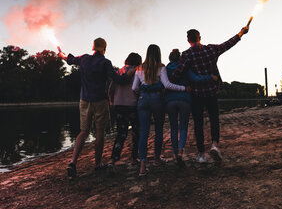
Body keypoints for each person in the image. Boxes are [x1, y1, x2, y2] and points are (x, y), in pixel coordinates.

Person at [171, 25, 249, 163]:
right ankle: (214, 144)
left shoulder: (187, 54)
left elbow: (178, 72)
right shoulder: (211, 49)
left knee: (198, 124)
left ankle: (201, 154)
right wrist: (241, 33)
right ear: (200, 38)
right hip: (212, 92)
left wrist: (167, 83)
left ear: (188, 40)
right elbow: (228, 44)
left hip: (197, 95)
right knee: (214, 120)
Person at [58, 37, 134, 178]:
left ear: (93, 47)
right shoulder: (105, 62)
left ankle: (73, 162)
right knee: (99, 132)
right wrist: (128, 75)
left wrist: (62, 54)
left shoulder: (84, 59)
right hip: (100, 101)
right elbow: (117, 80)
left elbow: (70, 59)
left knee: (83, 131)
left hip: (84, 100)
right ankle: (98, 163)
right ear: (104, 49)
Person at [132, 44, 187, 176]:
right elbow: (167, 85)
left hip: (143, 100)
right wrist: (183, 88)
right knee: (158, 130)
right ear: (158, 54)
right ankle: (157, 159)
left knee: (144, 132)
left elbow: (134, 88)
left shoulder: (139, 68)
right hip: (157, 100)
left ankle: (142, 167)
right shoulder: (161, 67)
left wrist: (142, 92)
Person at [166, 49, 217, 167]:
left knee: (173, 128)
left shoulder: (166, 69)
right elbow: (195, 78)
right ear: (180, 58)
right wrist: (210, 77)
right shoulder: (185, 68)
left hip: (170, 101)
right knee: (183, 127)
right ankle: (180, 153)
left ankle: (174, 155)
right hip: (184, 100)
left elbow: (164, 83)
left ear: (169, 58)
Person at [107, 53, 142, 171]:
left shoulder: (119, 71)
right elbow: (138, 89)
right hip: (133, 105)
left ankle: (113, 158)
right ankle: (134, 157)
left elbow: (111, 88)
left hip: (119, 105)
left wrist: (111, 101)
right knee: (136, 132)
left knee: (121, 133)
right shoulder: (137, 71)